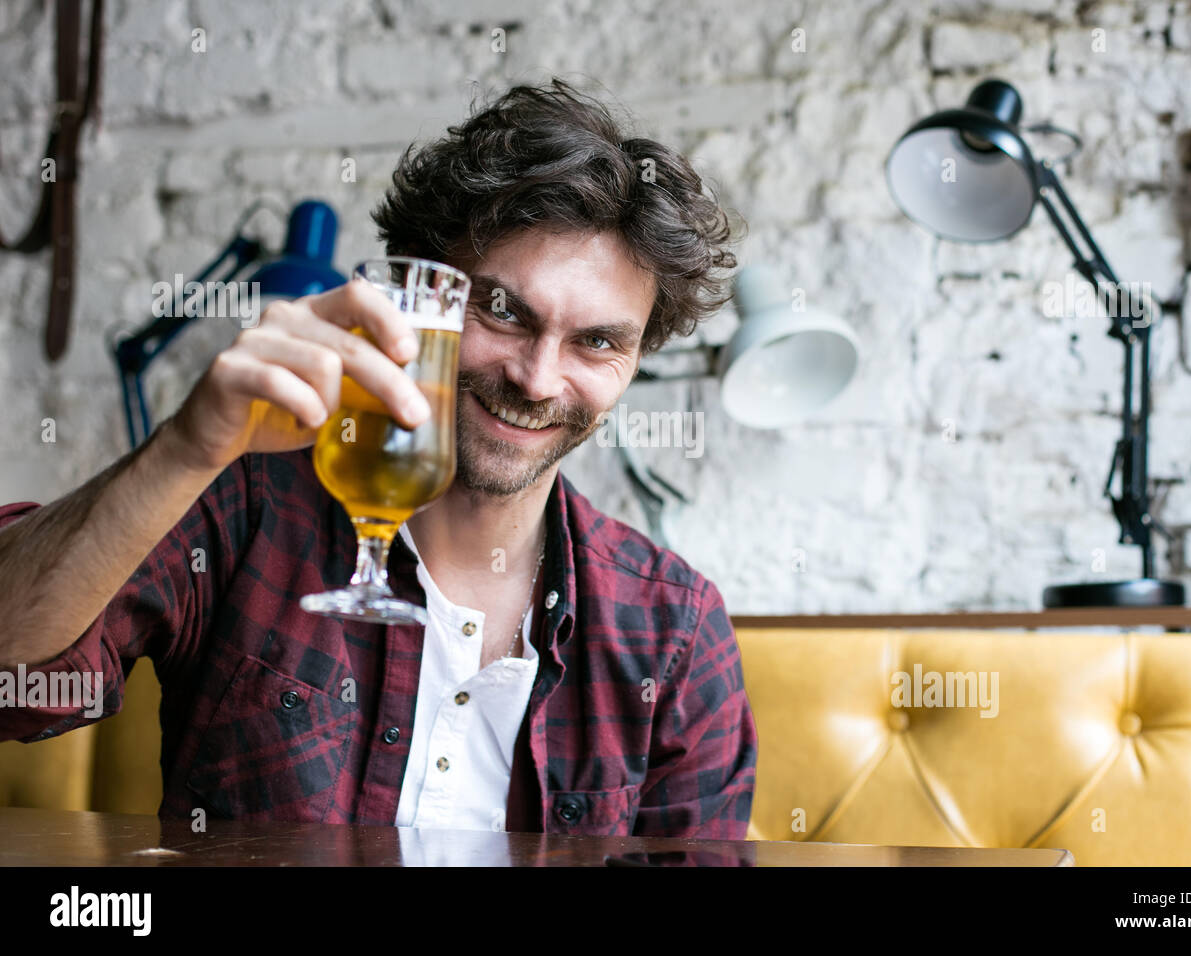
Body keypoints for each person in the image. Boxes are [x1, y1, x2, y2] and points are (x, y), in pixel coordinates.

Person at [0, 78, 757, 839]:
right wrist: (183, 450)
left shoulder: (674, 631)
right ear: (414, 295)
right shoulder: (245, 507)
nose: (535, 377)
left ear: (634, 361)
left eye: (597, 341)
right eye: (500, 310)